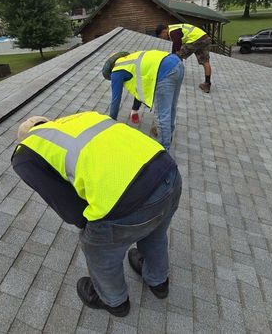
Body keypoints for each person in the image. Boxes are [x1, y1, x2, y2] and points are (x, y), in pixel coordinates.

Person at [12, 111, 182, 317]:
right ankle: (158, 281)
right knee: (154, 231)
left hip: (128, 201)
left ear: (25, 138)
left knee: (97, 247)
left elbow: (71, 209)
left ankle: (114, 301)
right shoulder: (83, 118)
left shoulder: (26, 153)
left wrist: (96, 227)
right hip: (168, 173)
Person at [103, 50, 184, 152]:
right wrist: (135, 109)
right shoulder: (131, 59)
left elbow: (116, 99)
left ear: (110, 69)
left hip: (164, 71)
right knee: (171, 106)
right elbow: (139, 90)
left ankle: (164, 151)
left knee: (161, 114)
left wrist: (111, 121)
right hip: (177, 63)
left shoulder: (116, 72)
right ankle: (167, 134)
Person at [156, 23, 212, 93]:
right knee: (206, 62)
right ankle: (207, 84)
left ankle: (173, 77)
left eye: (161, 36)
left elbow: (177, 47)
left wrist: (174, 55)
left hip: (195, 40)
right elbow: (177, 44)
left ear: (164, 31)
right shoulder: (175, 28)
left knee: (176, 57)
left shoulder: (172, 31)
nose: (163, 38)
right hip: (205, 38)